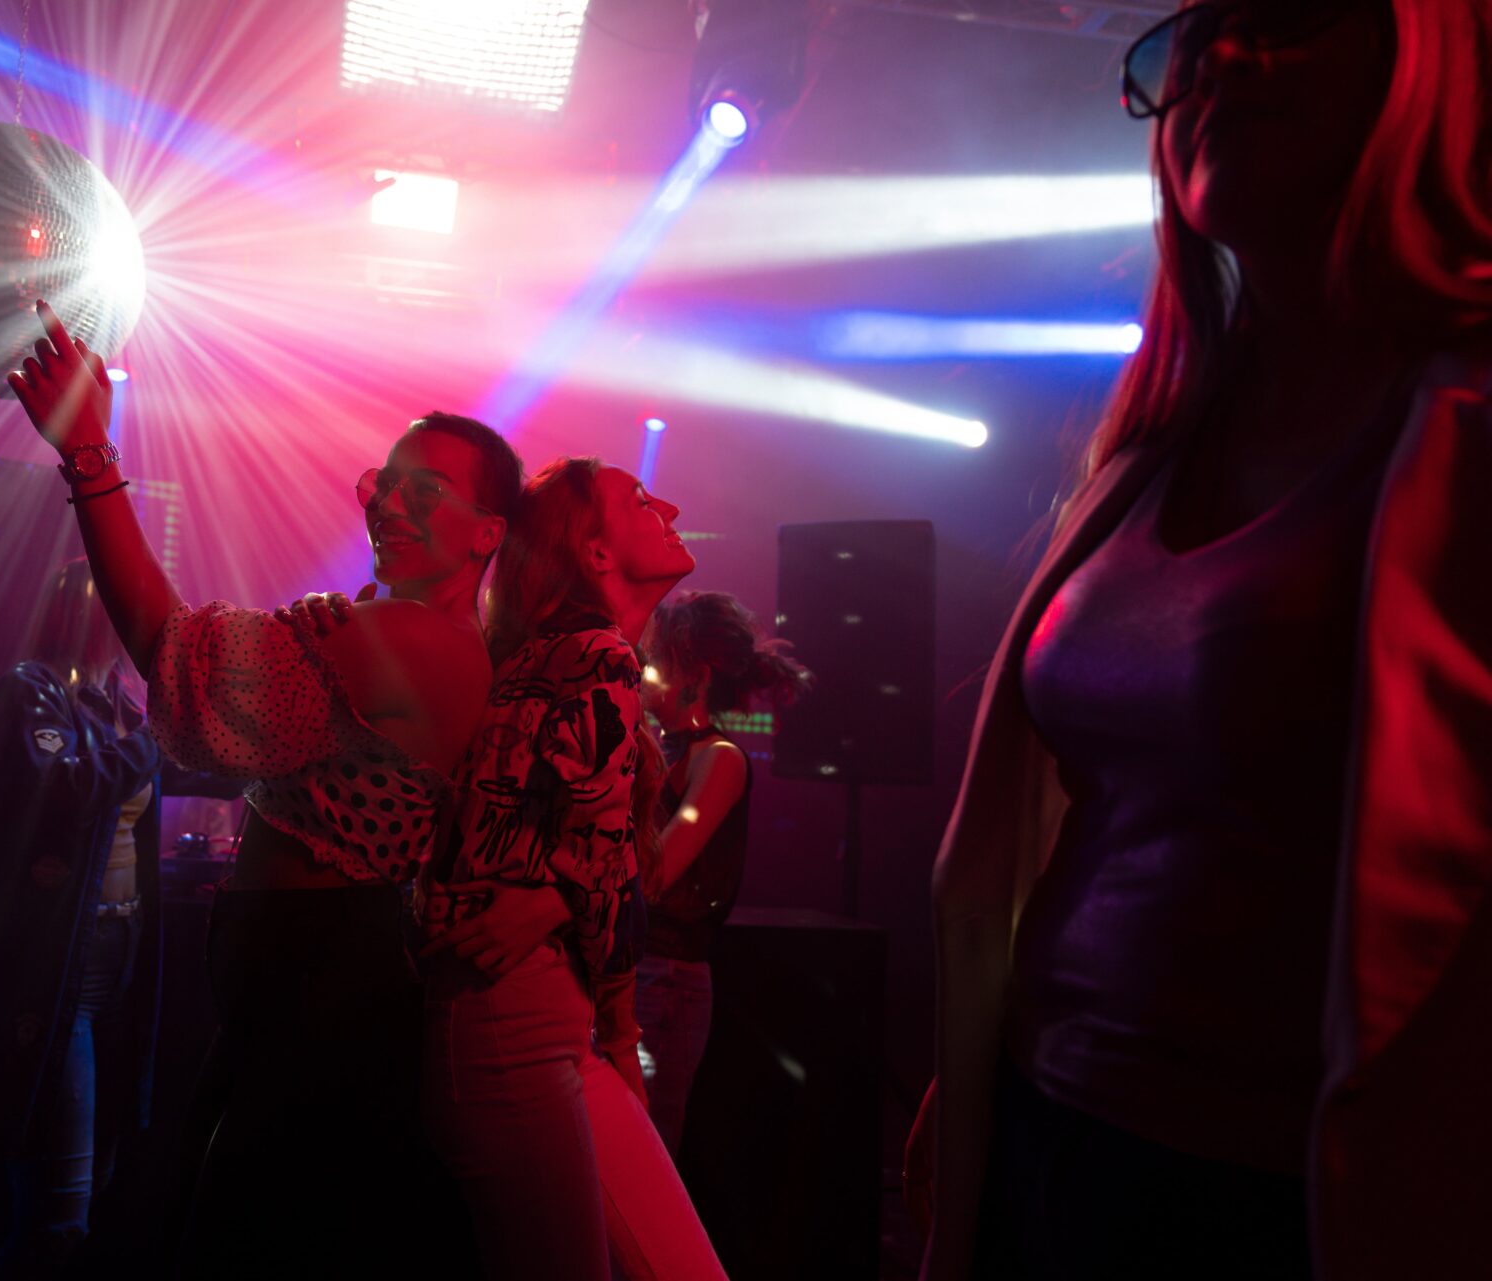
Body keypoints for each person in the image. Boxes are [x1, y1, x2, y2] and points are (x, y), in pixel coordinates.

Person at [907, 2, 1492, 1278]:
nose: (1221, 56)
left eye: (1283, 16)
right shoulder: (1151, 451)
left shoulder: (1463, 417)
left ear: (1428, 55)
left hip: (1308, 1202)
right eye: (1198, 33)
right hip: (1055, 1138)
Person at [7, 302, 513, 1275]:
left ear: (490, 533)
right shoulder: (390, 625)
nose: (392, 504)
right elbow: (235, 748)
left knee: (268, 1230)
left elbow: (177, 657)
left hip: (333, 981)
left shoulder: (416, 639)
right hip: (314, 974)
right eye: (388, 484)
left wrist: (89, 458)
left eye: (430, 492)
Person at [419, 456, 726, 1281]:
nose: (667, 500)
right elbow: (578, 864)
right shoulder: (597, 655)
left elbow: (579, 863)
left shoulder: (554, 653)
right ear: (593, 553)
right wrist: (559, 899)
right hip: (514, 1021)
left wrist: (613, 1028)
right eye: (638, 498)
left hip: (548, 1022)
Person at [0, 560, 241, 1279]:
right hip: (58, 967)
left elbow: (186, 771)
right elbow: (65, 789)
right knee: (60, 1209)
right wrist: (154, 738)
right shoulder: (29, 689)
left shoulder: (118, 702)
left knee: (98, 1179)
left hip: (122, 952)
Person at [633, 590, 807, 1156]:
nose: (644, 672)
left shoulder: (720, 758)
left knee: (648, 1151)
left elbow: (657, 874)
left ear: (696, 673)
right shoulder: (660, 751)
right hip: (637, 969)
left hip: (667, 978)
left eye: (657, 659)